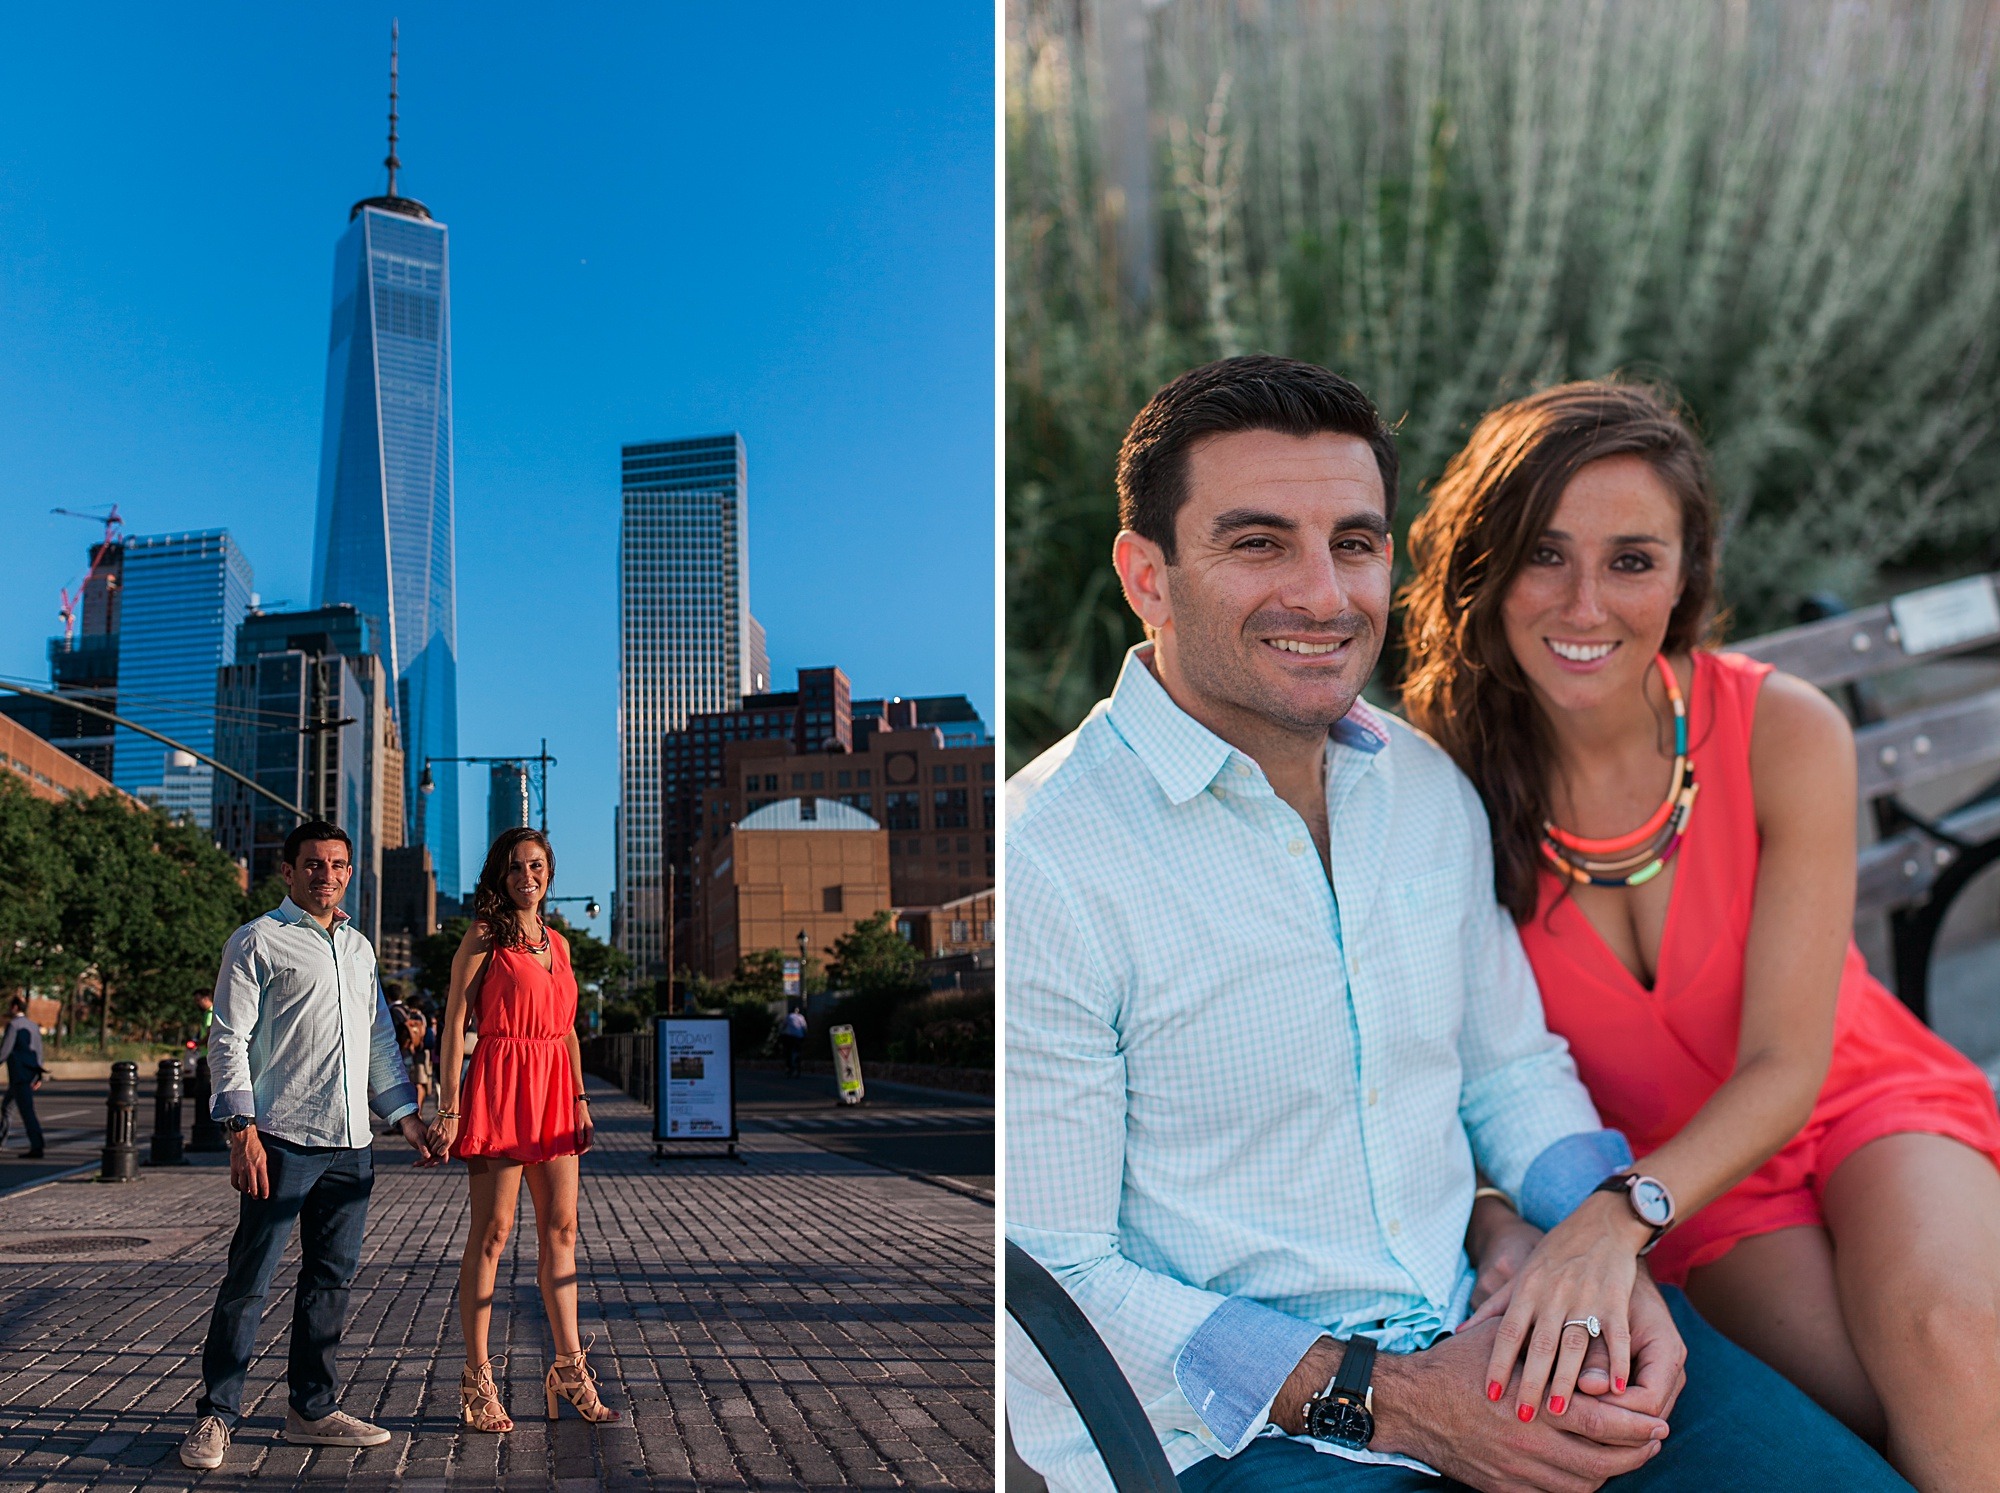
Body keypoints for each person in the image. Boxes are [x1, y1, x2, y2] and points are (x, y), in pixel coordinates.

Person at [1006, 355, 1909, 1493]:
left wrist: (1601, 1247)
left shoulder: (1421, 784)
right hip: (1244, 1440)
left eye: (1353, 542)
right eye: (1255, 543)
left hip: (1507, 1332)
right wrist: (1392, 1400)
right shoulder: (1047, 856)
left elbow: (1507, 1072)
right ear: (1146, 575)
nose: (1323, 595)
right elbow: (1056, 1268)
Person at [1399, 379, 2000, 1490]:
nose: (1585, 604)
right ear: (1483, 568)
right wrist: (1533, 1213)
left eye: (1631, 558)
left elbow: (1788, 1059)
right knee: (1872, 1412)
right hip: (1697, 1194)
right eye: (1544, 554)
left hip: (1851, 1099)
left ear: (1682, 577)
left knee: (1948, 1342)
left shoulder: (1779, 728)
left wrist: (1608, 1220)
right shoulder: (1435, 789)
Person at [180, 820, 442, 1472]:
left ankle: (312, 1408)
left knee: (330, 1281)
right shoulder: (256, 941)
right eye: (314, 864)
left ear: (349, 872)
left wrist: (406, 1118)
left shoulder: (357, 949)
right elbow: (228, 1040)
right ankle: (217, 1413)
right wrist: (241, 1133)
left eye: (338, 864)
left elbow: (381, 1040)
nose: (327, 874)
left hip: (352, 1144)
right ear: (289, 871)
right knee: (249, 1280)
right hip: (281, 1140)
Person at [428, 828, 619, 1432]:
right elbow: (455, 1017)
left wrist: (581, 1097)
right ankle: (477, 1378)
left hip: (554, 1091)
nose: (526, 877)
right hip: (501, 1082)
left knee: (562, 1228)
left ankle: (568, 1367)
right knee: (494, 1232)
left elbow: (566, 1030)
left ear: (549, 872)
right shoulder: (485, 936)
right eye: (514, 868)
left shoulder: (559, 944)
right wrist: (449, 1105)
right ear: (500, 877)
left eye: (535, 866)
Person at [0, 998, 47, 1158]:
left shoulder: (14, 1026)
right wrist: (39, 1075)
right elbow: (39, 1052)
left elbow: (5, 1051)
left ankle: (37, 1145)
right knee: (7, 1107)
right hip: (31, 1072)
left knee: (26, 1111)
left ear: (14, 1007)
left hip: (19, 1074)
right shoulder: (33, 1025)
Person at [780, 1005, 808, 1078]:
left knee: (788, 1051)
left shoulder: (789, 1016)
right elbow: (804, 1027)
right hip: (799, 1036)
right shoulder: (801, 1017)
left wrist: (781, 1032)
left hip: (790, 1036)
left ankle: (789, 1068)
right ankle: (798, 1065)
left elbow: (784, 1025)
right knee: (798, 1051)